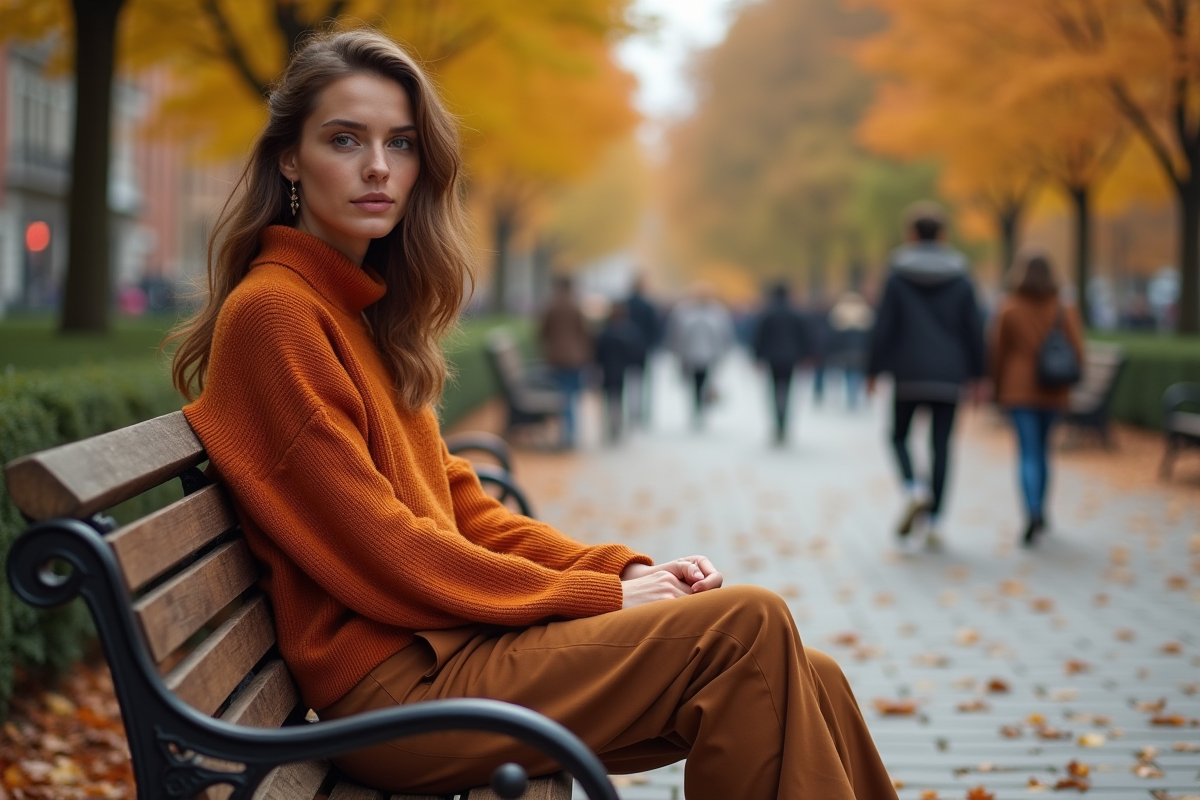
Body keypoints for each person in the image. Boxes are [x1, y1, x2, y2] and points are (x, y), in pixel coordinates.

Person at [166, 28, 897, 800]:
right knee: (746, 626)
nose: (378, 166)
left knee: (805, 674)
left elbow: (460, 507)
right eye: (345, 140)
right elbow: (383, 545)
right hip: (398, 693)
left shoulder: (356, 315)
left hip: (446, 655)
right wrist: (605, 598)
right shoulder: (276, 314)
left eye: (401, 143)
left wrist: (622, 569)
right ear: (289, 157)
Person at [867, 202, 985, 550]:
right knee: (942, 445)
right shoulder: (962, 277)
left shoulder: (897, 275)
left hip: (908, 372)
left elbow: (884, 326)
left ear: (912, 234)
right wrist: (979, 375)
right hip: (950, 375)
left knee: (898, 436)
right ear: (943, 235)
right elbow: (973, 329)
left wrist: (873, 370)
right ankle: (935, 521)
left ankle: (912, 487)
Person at [990, 252, 1084, 546]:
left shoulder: (1008, 307)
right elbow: (1078, 349)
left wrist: (995, 388)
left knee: (1027, 452)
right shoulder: (1063, 307)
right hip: (1053, 390)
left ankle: (1030, 511)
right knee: (1045, 451)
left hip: (1018, 389)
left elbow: (997, 352)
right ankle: (1042, 510)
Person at [666, 283, 735, 429]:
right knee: (695, 383)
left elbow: (725, 334)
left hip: (710, 354)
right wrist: (676, 351)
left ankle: (701, 408)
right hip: (690, 354)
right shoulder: (683, 310)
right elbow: (676, 333)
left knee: (705, 382)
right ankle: (697, 409)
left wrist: (725, 352)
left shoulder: (718, 311)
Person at [538, 275, 593, 448]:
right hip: (576, 358)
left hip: (558, 358)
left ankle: (566, 433)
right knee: (572, 395)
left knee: (563, 396)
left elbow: (543, 332)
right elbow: (584, 332)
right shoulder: (576, 306)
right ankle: (571, 432)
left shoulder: (552, 305)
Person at [752, 281, 809, 444]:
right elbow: (803, 336)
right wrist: (806, 355)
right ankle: (784, 422)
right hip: (791, 358)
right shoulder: (795, 313)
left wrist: (757, 357)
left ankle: (777, 422)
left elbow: (759, 337)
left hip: (772, 358)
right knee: (788, 390)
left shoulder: (767, 314)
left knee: (773, 390)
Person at [593, 301, 645, 443]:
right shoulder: (630, 331)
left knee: (610, 398)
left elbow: (598, 352)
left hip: (609, 369)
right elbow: (638, 351)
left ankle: (612, 425)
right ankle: (617, 424)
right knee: (618, 398)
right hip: (623, 369)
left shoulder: (606, 331)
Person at [827, 291, 875, 410]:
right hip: (860, 350)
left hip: (845, 350)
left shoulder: (839, 311)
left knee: (848, 373)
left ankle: (851, 396)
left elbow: (833, 335)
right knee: (857, 373)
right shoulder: (865, 311)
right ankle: (854, 394)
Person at [624, 275, 660, 427]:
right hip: (643, 348)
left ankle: (632, 412)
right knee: (644, 382)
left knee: (630, 381)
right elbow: (654, 329)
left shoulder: (625, 304)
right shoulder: (648, 306)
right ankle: (642, 413)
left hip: (625, 347)